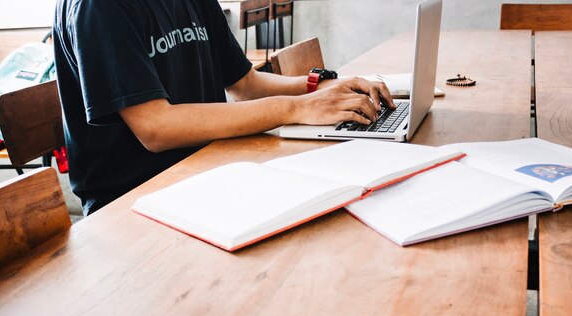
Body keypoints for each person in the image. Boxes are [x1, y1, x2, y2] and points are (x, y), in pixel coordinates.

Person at [53, 0, 394, 215]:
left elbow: (246, 84)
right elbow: (156, 128)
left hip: (208, 173)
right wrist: (296, 108)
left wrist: (327, 86)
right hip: (133, 202)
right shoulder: (98, 7)